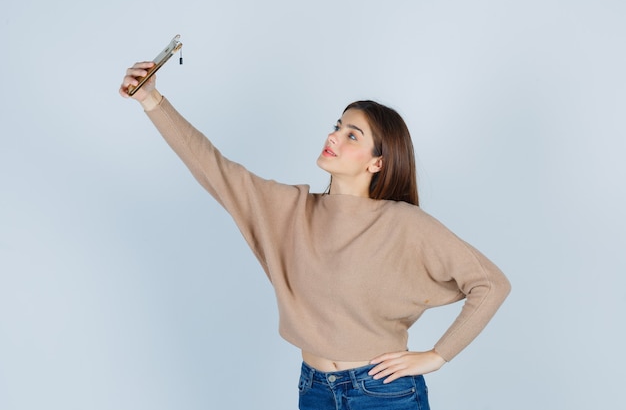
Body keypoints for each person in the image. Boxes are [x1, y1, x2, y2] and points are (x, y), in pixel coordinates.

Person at [119, 61, 511, 410]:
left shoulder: (403, 223)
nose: (334, 136)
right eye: (337, 126)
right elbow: (213, 168)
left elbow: (491, 284)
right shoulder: (292, 209)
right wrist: (152, 100)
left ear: (378, 162)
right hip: (314, 389)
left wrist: (437, 356)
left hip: (383, 393)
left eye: (352, 135)